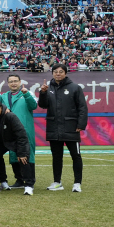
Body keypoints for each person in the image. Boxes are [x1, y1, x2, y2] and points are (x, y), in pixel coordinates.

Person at [38, 64, 88, 193]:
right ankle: (57, 182)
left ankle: (77, 183)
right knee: (56, 156)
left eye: (61, 72)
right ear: (52, 73)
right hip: (54, 127)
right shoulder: (48, 88)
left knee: (76, 156)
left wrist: (81, 125)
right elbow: (43, 105)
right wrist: (42, 93)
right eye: (55, 72)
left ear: (65, 73)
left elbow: (82, 107)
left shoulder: (75, 88)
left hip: (71, 127)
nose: (58, 74)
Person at [0, 99, 34, 195]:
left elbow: (21, 135)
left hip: (14, 141)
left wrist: (21, 152)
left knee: (23, 159)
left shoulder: (10, 116)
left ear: (1, 108)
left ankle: (29, 186)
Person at [3, 74, 38, 189]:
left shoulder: (27, 93)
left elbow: (33, 106)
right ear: (8, 83)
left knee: (28, 154)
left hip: (25, 130)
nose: (13, 83)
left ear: (20, 82)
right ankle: (19, 180)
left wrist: (26, 94)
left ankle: (30, 180)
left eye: (15, 81)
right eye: (11, 81)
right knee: (13, 155)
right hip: (10, 131)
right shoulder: (4, 96)